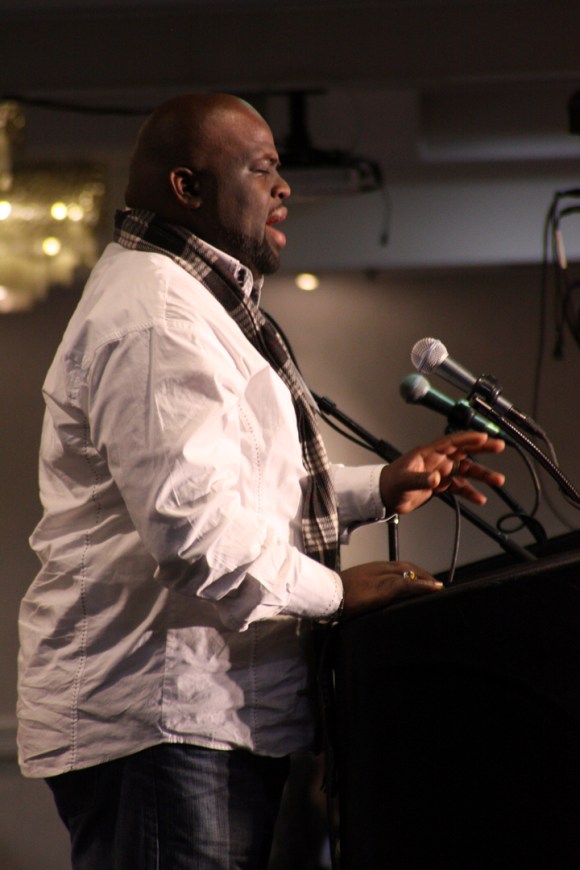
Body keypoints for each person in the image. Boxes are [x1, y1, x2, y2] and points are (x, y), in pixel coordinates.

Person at [17, 93, 505, 869]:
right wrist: (339, 592)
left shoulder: (190, 301)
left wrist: (375, 488)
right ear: (188, 188)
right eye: (263, 168)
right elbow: (195, 536)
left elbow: (239, 489)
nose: (285, 187)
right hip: (165, 720)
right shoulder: (156, 319)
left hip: (200, 719)